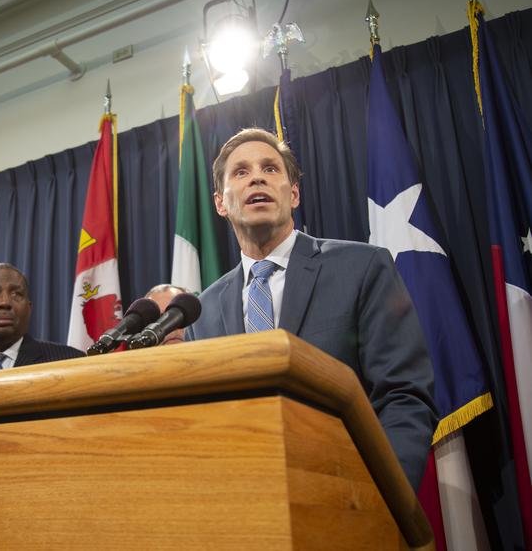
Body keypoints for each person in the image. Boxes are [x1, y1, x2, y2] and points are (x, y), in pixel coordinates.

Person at [184, 128, 437, 489]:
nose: (257, 176)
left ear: (294, 194)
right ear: (220, 203)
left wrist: (382, 497)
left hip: (350, 497)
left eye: (270, 168)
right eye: (241, 172)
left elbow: (404, 394)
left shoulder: (361, 268)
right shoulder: (202, 312)